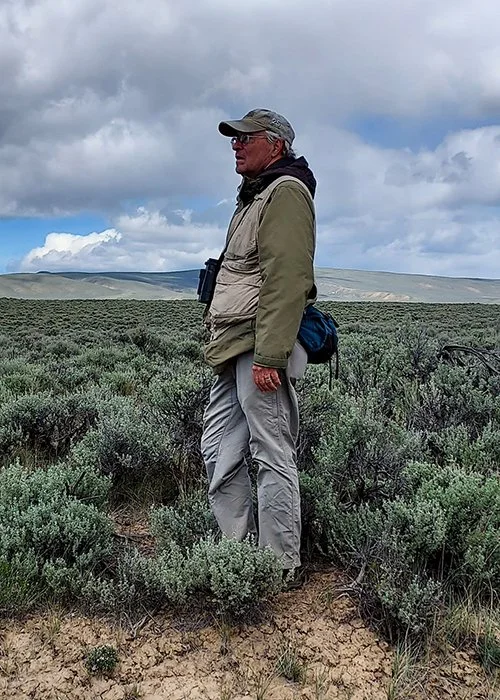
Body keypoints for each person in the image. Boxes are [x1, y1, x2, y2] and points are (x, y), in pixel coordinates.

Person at [200, 108, 316, 583]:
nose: (236, 144)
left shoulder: (285, 192)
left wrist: (270, 355)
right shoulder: (253, 195)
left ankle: (278, 564)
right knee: (217, 447)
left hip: (258, 344)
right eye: (234, 138)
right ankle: (237, 555)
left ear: (276, 145)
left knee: (271, 451)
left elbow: (287, 279)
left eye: (247, 138)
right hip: (233, 342)